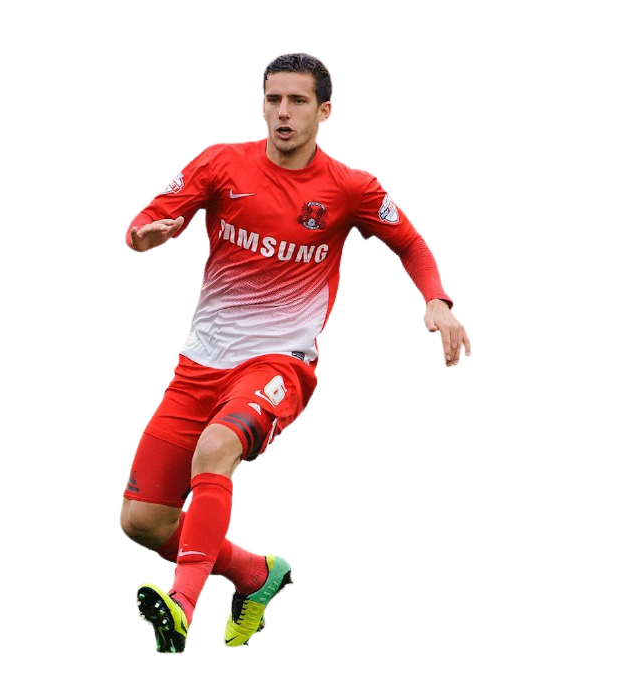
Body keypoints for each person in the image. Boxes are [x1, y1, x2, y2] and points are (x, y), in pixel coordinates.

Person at [120, 52, 472, 654]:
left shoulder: (351, 186)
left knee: (217, 447)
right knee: (142, 522)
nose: (283, 112)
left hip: (280, 363)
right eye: (274, 100)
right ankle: (257, 574)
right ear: (261, 106)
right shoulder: (220, 161)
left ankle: (183, 604)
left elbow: (410, 242)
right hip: (200, 362)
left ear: (324, 111)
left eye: (298, 101)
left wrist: (436, 301)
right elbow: (146, 220)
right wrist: (145, 236)